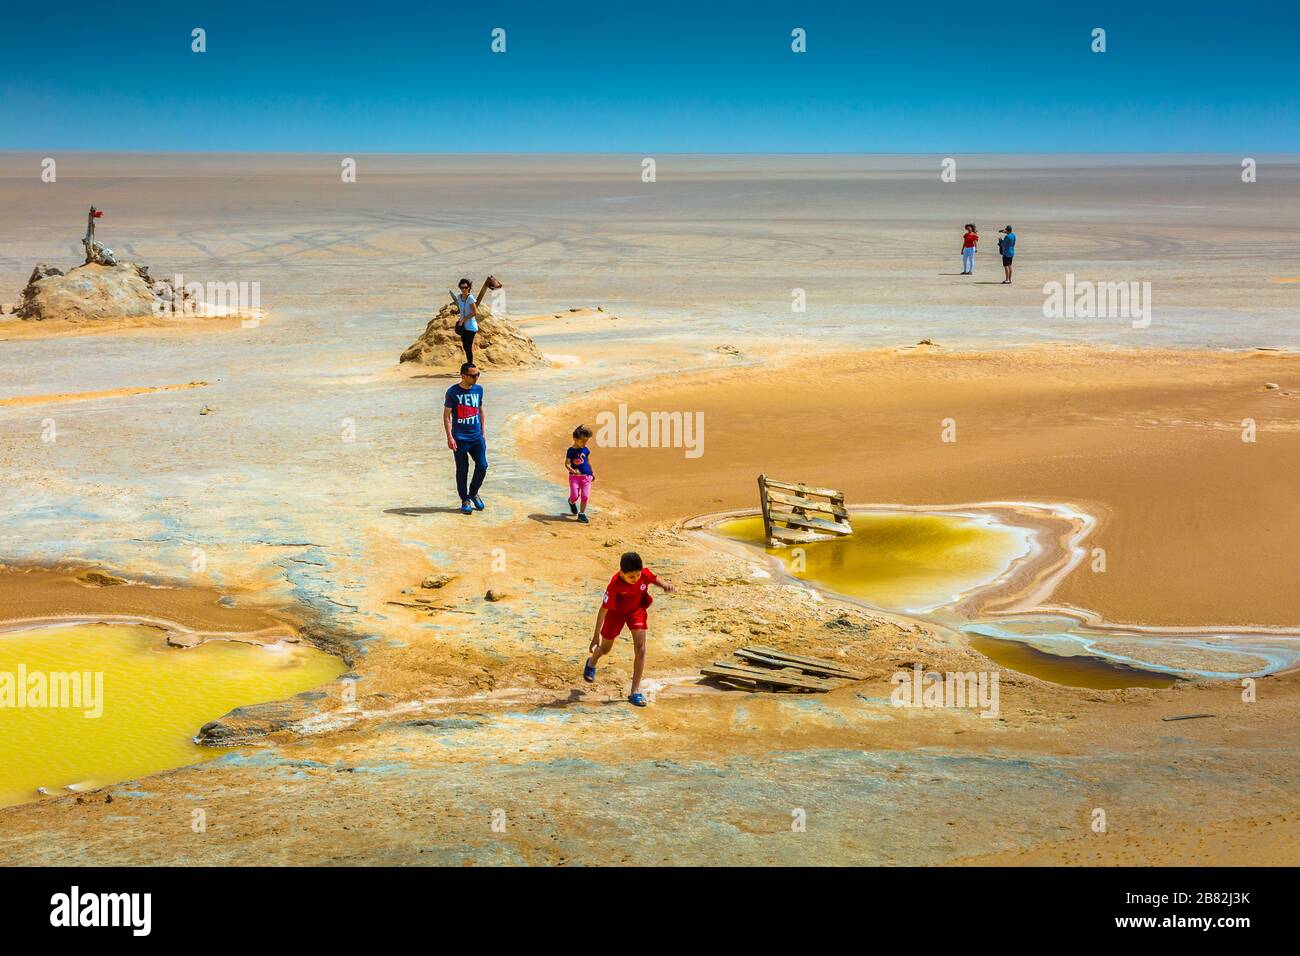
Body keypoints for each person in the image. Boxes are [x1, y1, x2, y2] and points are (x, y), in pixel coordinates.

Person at [583, 551, 675, 707]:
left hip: (636, 612)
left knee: (641, 649)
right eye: (631, 577)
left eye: (638, 575)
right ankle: (591, 662)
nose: (636, 579)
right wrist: (595, 636)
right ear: (621, 573)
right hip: (615, 615)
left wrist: (664, 585)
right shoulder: (614, 585)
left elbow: (653, 578)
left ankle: (635, 692)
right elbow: (603, 610)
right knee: (605, 649)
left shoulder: (643, 574)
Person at [443, 362, 487, 515]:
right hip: (460, 438)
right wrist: (450, 437)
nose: (476, 378)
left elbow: (480, 410)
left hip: (476, 437)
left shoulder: (479, 389)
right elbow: (447, 416)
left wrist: (482, 432)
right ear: (463, 375)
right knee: (462, 470)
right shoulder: (452, 392)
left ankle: (473, 492)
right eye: (473, 375)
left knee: (482, 466)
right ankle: (465, 499)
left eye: (478, 375)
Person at [565, 424, 595, 523]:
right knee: (574, 496)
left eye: (586, 441)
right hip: (574, 477)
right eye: (582, 441)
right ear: (575, 439)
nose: (584, 443)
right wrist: (573, 471)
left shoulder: (586, 450)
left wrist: (592, 472)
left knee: (585, 496)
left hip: (586, 476)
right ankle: (571, 501)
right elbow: (567, 464)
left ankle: (581, 514)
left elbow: (587, 462)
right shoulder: (571, 451)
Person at [451, 278, 478, 365]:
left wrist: (463, 319)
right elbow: (461, 309)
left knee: (468, 347)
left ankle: (470, 366)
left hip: (471, 327)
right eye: (462, 287)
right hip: (463, 327)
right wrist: (456, 312)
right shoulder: (459, 297)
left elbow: (475, 312)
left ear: (469, 288)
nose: (463, 289)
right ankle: (469, 364)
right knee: (465, 346)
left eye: (465, 287)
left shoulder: (470, 298)